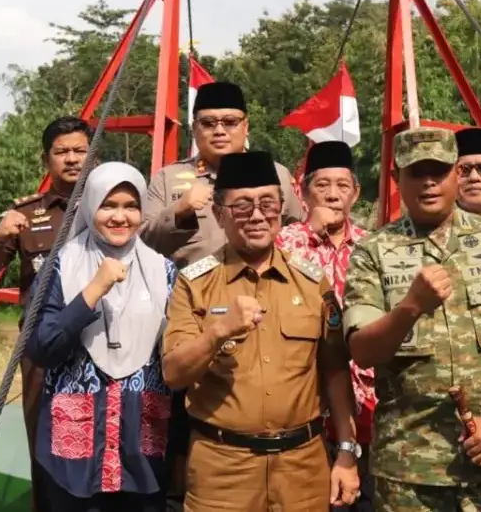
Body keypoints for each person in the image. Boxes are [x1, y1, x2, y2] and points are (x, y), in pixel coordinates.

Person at [341, 127, 481, 512]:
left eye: (438, 172)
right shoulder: (371, 253)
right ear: (396, 180)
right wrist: (410, 307)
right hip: (410, 475)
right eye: (415, 172)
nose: (428, 183)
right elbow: (362, 350)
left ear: (457, 174)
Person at [160, 150, 361, 511]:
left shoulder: (313, 282)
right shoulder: (195, 284)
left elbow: (335, 371)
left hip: (303, 470)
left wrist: (346, 451)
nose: (256, 216)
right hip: (223, 472)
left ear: (281, 209)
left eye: (268, 204)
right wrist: (218, 331)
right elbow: (174, 373)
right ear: (219, 214)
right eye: (241, 206)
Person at [27, 162, 181, 511]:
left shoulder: (164, 271)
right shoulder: (60, 267)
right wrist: (93, 289)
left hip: (142, 447)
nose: (120, 217)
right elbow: (43, 347)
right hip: (75, 454)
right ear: (90, 206)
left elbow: (176, 353)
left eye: (130, 206)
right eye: (108, 205)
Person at [0, 115, 91, 512]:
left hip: (102, 347)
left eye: (80, 150)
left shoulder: (115, 206)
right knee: (46, 447)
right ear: (47, 159)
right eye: (62, 152)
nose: (72, 159)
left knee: (105, 451)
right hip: (43, 352)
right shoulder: (26, 215)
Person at [274, 140, 376, 512]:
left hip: (367, 407)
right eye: (322, 185)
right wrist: (309, 235)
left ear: (356, 192)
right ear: (302, 190)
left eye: (342, 186)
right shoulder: (281, 244)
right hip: (304, 406)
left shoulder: (372, 247)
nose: (333, 195)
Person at [141, 81, 304, 269]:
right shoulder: (167, 179)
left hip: (264, 292)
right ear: (194, 129)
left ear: (246, 127)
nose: (219, 131)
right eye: (208, 123)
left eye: (230, 122)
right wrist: (179, 211)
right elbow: (143, 246)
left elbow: (298, 238)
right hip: (194, 294)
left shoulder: (276, 175)